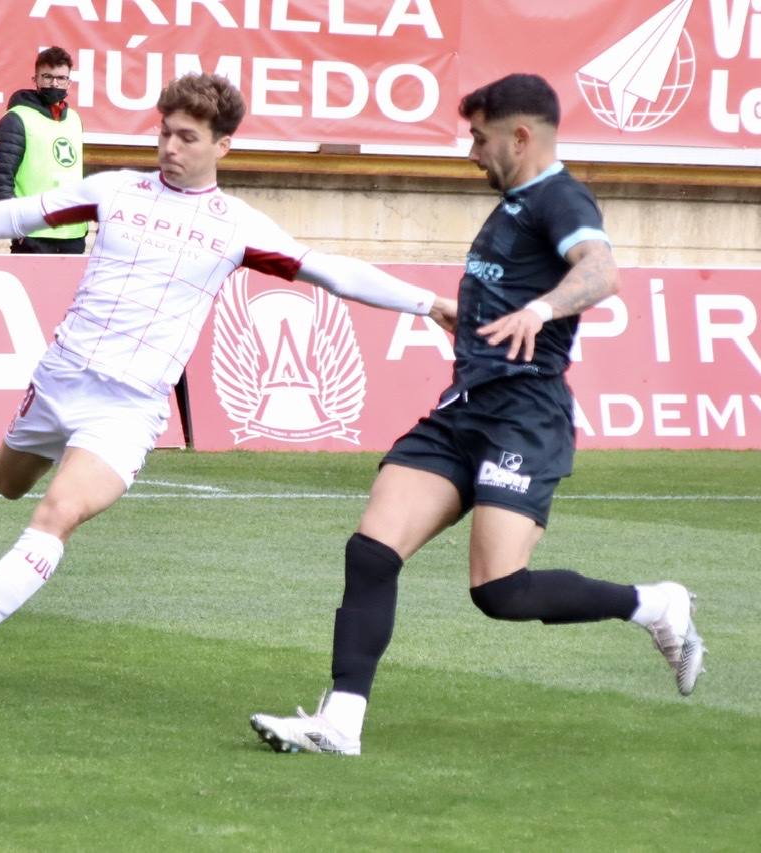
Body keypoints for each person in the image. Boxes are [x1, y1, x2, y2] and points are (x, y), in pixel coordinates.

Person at [0, 73, 458, 680]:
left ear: (223, 145)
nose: (171, 147)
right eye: (165, 133)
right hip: (60, 378)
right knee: (7, 485)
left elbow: (332, 272)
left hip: (127, 409)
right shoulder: (117, 191)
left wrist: (429, 303)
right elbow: (21, 212)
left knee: (56, 513)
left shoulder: (237, 225)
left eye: (188, 137)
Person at [249, 73, 707, 757]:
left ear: (520, 136)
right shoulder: (513, 203)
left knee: (499, 590)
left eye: (478, 136)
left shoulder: (559, 196)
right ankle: (341, 722)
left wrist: (542, 309)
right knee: (371, 550)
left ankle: (653, 603)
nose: (470, 151)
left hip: (525, 416)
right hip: (465, 408)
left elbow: (601, 269)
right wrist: (470, 320)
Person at [0, 46, 87, 254]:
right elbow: (0, 180)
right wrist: (17, 227)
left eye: (61, 78)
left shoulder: (75, 120)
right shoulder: (17, 119)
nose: (54, 83)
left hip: (73, 235)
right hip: (33, 235)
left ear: (69, 82)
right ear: (35, 80)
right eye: (47, 77)